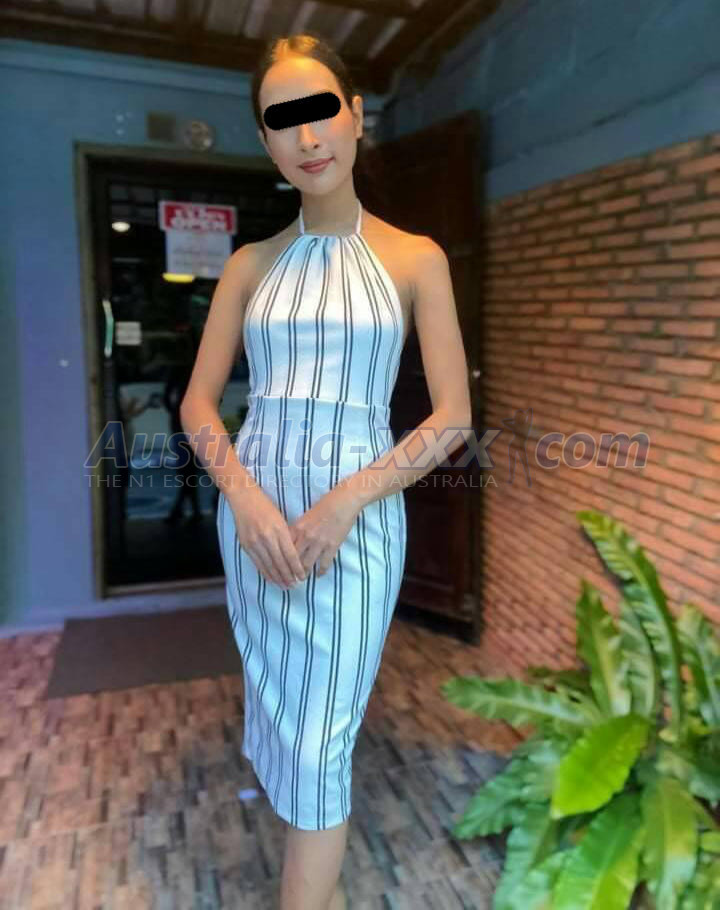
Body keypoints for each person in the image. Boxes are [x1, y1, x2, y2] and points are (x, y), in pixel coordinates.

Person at [180, 32, 472, 910]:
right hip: (255, 525)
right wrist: (246, 503)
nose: (307, 137)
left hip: (356, 526)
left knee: (320, 743)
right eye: (283, 120)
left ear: (355, 116)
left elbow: (453, 418)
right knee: (282, 719)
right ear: (266, 141)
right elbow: (199, 406)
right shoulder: (247, 266)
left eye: (321, 112)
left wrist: (347, 499)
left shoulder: (416, 258)